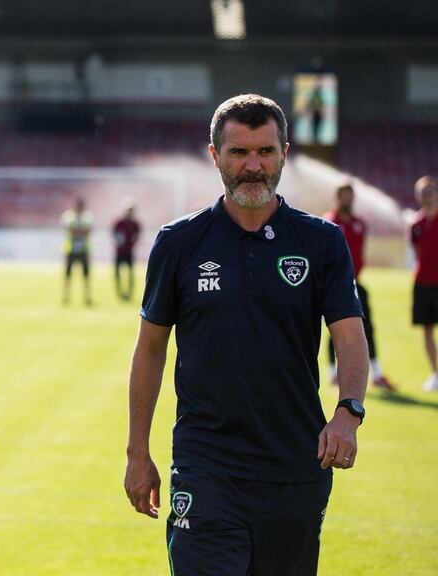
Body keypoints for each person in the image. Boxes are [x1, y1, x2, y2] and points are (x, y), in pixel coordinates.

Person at [124, 94, 368, 575]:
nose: (253, 166)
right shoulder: (179, 242)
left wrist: (348, 412)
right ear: (215, 156)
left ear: (284, 154)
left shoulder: (321, 242)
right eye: (238, 153)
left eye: (265, 152)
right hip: (206, 465)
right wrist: (137, 451)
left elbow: (350, 336)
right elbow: (150, 347)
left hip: (297, 467)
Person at [323, 183, 396, 390]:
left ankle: (377, 372)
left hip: (355, 283)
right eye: (344, 196)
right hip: (333, 285)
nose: (347, 200)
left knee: (368, 327)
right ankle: (332, 372)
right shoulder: (328, 223)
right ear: (337, 197)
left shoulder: (360, 224)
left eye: (350, 196)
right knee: (334, 328)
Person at [409, 175, 438, 392]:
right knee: (427, 330)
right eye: (423, 193)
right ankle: (435, 373)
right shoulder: (416, 224)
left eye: (430, 192)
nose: (427, 197)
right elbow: (418, 252)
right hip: (423, 283)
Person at [61, 197, 94, 305]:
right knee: (68, 275)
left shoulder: (87, 217)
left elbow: (87, 232)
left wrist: (76, 230)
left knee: (86, 276)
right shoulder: (69, 217)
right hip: (71, 250)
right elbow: (70, 231)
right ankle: (66, 296)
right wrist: (80, 231)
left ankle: (87, 296)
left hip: (83, 250)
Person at [112, 198, 141, 301]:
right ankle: (120, 293)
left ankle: (129, 293)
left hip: (129, 251)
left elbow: (137, 236)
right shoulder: (119, 222)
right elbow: (114, 235)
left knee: (130, 273)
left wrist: (132, 244)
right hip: (119, 251)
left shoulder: (135, 223)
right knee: (117, 273)